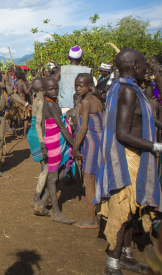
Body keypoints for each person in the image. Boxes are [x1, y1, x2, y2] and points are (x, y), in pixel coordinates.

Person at [94, 49, 162, 275]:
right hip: (126, 158)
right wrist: (160, 147)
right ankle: (112, 264)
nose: (148, 69)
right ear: (135, 64)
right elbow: (123, 134)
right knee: (122, 211)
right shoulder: (127, 91)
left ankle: (126, 256)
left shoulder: (126, 88)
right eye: (145, 64)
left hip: (132, 155)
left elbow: (157, 123)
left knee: (130, 211)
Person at [33, 77, 75, 223]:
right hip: (55, 142)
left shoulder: (52, 103)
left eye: (56, 88)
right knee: (53, 177)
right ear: (44, 91)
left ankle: (42, 204)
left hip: (55, 141)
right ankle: (56, 213)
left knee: (62, 172)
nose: (55, 91)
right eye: (51, 89)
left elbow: (45, 125)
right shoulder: (49, 105)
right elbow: (62, 127)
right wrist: (74, 145)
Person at [71, 73, 104, 229]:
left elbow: (83, 127)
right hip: (101, 144)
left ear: (90, 86)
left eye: (80, 85)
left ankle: (91, 219)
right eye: (76, 85)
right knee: (98, 180)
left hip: (91, 146)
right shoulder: (97, 100)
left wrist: (75, 147)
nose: (78, 88)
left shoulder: (85, 102)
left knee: (89, 181)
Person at [27, 78, 47, 210]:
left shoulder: (37, 99)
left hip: (33, 133)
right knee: (46, 168)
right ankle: (36, 197)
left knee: (44, 167)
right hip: (37, 135)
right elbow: (39, 124)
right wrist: (43, 143)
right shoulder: (41, 102)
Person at [52, 46, 93, 114]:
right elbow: (92, 89)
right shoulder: (87, 71)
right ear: (81, 58)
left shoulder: (60, 69)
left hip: (64, 106)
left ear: (69, 57)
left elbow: (52, 84)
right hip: (82, 106)